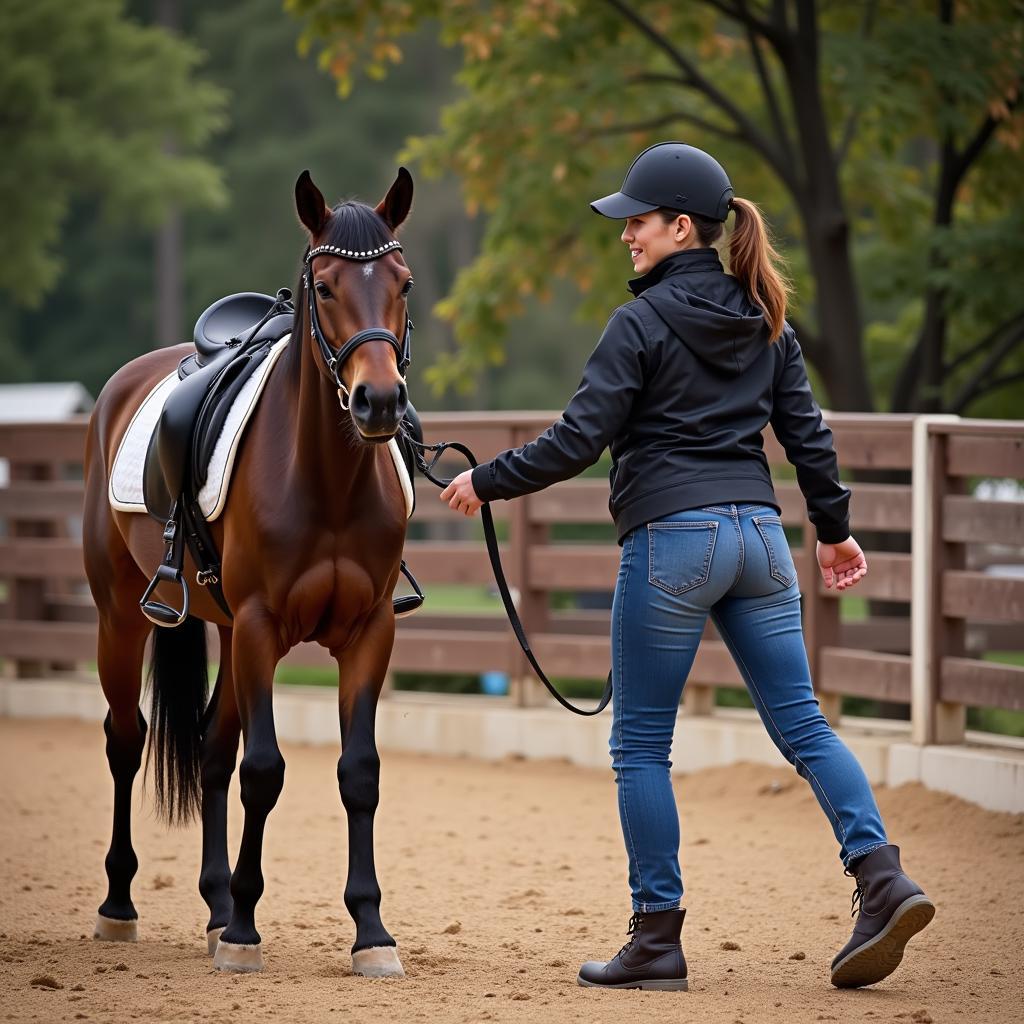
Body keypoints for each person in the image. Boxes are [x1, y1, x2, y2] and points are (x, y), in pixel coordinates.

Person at [438, 142, 934, 992]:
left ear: (682, 227)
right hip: (759, 541)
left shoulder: (637, 324)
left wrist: (486, 480)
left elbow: (578, 439)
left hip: (673, 540)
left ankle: (657, 937)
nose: (625, 234)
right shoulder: (766, 316)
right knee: (806, 726)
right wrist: (837, 530)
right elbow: (807, 436)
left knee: (639, 746)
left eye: (638, 220)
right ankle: (882, 878)